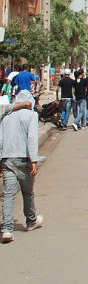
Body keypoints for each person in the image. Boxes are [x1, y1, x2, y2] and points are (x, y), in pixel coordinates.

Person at [0, 90, 43, 243]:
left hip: (7, 159)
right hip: (24, 159)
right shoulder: (32, 116)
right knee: (28, 192)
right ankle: (31, 221)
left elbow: (1, 139)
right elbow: (32, 138)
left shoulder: (6, 117)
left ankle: (7, 229)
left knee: (9, 194)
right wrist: (34, 160)